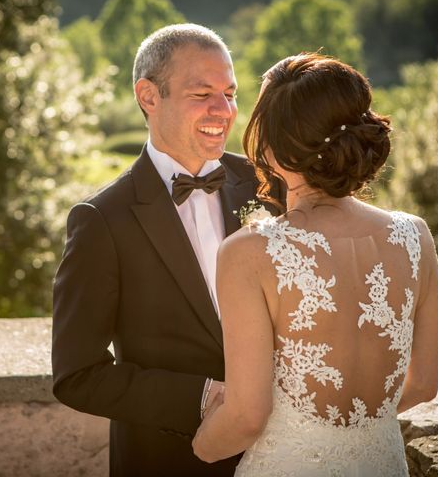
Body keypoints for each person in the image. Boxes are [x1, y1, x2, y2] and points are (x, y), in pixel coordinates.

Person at [192, 53, 438, 476]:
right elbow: (423, 384)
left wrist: (201, 447)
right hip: (382, 463)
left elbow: (247, 416)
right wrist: (359, 426)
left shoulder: (249, 252)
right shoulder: (415, 235)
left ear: (272, 152)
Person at [51, 23, 284, 477]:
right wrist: (199, 396)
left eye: (230, 93)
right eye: (202, 95)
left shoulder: (269, 184)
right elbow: (77, 375)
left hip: (281, 455)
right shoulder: (101, 220)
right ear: (148, 96)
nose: (224, 110)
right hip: (167, 460)